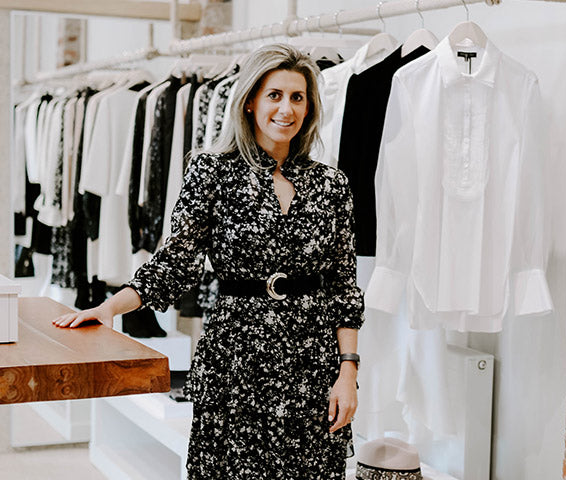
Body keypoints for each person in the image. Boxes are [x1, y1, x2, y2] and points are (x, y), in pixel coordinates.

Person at [53, 44, 364, 479]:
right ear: (250, 99)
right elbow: (175, 263)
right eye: (274, 95)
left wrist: (348, 372)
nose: (286, 109)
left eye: (298, 97)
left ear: (310, 105)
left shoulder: (332, 184)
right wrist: (109, 307)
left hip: (311, 360)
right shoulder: (211, 171)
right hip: (236, 356)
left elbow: (343, 287)